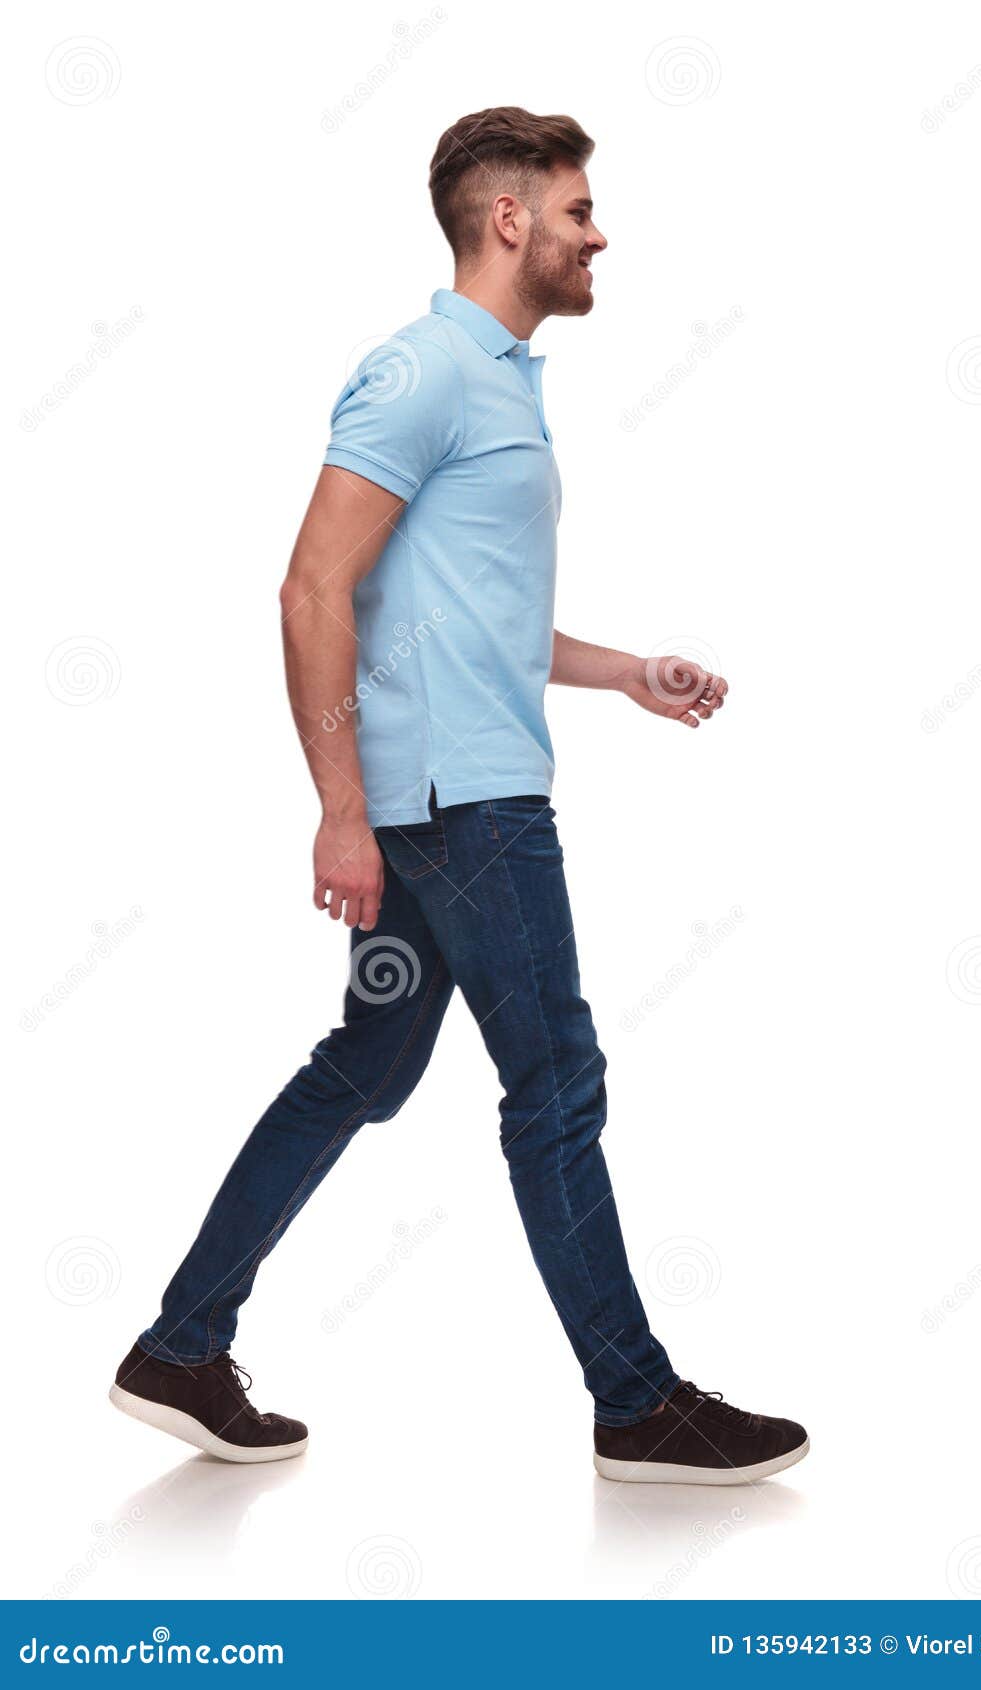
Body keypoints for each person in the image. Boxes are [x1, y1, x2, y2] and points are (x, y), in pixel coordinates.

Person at [111, 107, 809, 1484]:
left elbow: (457, 617)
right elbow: (314, 586)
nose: (598, 233)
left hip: (448, 802)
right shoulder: (425, 370)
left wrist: (622, 674)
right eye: (580, 209)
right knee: (554, 1077)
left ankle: (181, 1346)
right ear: (510, 222)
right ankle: (636, 1400)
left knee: (364, 1064)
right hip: (465, 816)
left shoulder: (499, 378)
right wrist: (340, 806)